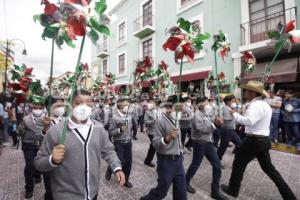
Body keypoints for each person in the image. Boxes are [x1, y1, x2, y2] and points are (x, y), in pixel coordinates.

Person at [34, 90, 125, 200]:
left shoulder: (99, 128)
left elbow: (108, 150)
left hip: (92, 193)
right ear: (70, 105)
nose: (84, 107)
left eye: (88, 103)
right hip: (65, 195)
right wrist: (52, 160)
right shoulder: (56, 131)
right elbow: (38, 162)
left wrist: (117, 167)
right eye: (78, 103)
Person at [221, 81, 296, 200]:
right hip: (263, 140)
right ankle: (289, 196)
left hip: (254, 140)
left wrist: (234, 113)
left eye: (247, 91)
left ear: (252, 92)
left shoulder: (256, 105)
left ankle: (233, 190)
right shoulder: (264, 104)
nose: (245, 92)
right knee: (270, 170)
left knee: (239, 163)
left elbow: (249, 121)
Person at [140, 95, 187, 200]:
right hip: (166, 161)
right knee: (162, 191)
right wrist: (168, 138)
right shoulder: (160, 121)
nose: (181, 110)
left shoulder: (177, 118)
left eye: (181, 107)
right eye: (178, 108)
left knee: (181, 192)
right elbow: (155, 143)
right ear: (169, 108)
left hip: (178, 159)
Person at [185, 97, 228, 200]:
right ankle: (185, 182)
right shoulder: (196, 116)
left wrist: (216, 120)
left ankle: (215, 191)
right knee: (195, 164)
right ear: (199, 104)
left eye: (207, 102)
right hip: (199, 143)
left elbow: (211, 121)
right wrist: (215, 125)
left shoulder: (205, 113)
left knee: (217, 165)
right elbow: (201, 130)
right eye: (204, 102)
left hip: (208, 143)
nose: (207, 104)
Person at [39, 95, 66, 200]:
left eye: (62, 105)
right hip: (49, 159)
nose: (61, 108)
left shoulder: (66, 120)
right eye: (57, 105)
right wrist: (45, 128)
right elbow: (39, 140)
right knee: (50, 189)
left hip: (66, 160)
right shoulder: (42, 120)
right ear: (48, 107)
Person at [106, 97, 134, 188]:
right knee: (121, 161)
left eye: (127, 105)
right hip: (119, 142)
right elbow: (111, 132)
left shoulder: (129, 116)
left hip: (128, 142)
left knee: (128, 162)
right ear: (119, 106)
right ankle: (110, 168)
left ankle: (126, 180)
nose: (127, 107)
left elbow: (130, 128)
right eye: (125, 105)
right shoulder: (114, 118)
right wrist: (120, 130)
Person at [21, 100, 45, 198]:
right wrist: (19, 130)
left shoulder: (46, 119)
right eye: (35, 108)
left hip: (42, 145)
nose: (37, 110)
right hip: (29, 144)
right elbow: (21, 129)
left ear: (43, 108)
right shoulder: (26, 119)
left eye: (40, 108)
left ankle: (38, 174)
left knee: (39, 163)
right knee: (29, 165)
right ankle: (29, 188)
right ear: (31, 108)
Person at [217, 95, 242, 162]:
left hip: (231, 130)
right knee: (223, 147)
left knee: (240, 144)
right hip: (226, 130)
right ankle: (217, 160)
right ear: (228, 101)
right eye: (233, 101)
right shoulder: (225, 108)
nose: (234, 102)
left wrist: (235, 113)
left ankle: (237, 161)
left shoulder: (230, 108)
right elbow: (225, 118)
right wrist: (234, 115)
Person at [143, 99, 161, 167]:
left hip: (160, 130)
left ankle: (147, 160)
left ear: (155, 103)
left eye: (151, 102)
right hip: (151, 131)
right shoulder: (147, 112)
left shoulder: (160, 110)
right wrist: (153, 121)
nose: (149, 104)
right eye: (149, 103)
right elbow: (146, 121)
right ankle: (150, 161)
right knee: (156, 145)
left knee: (153, 146)